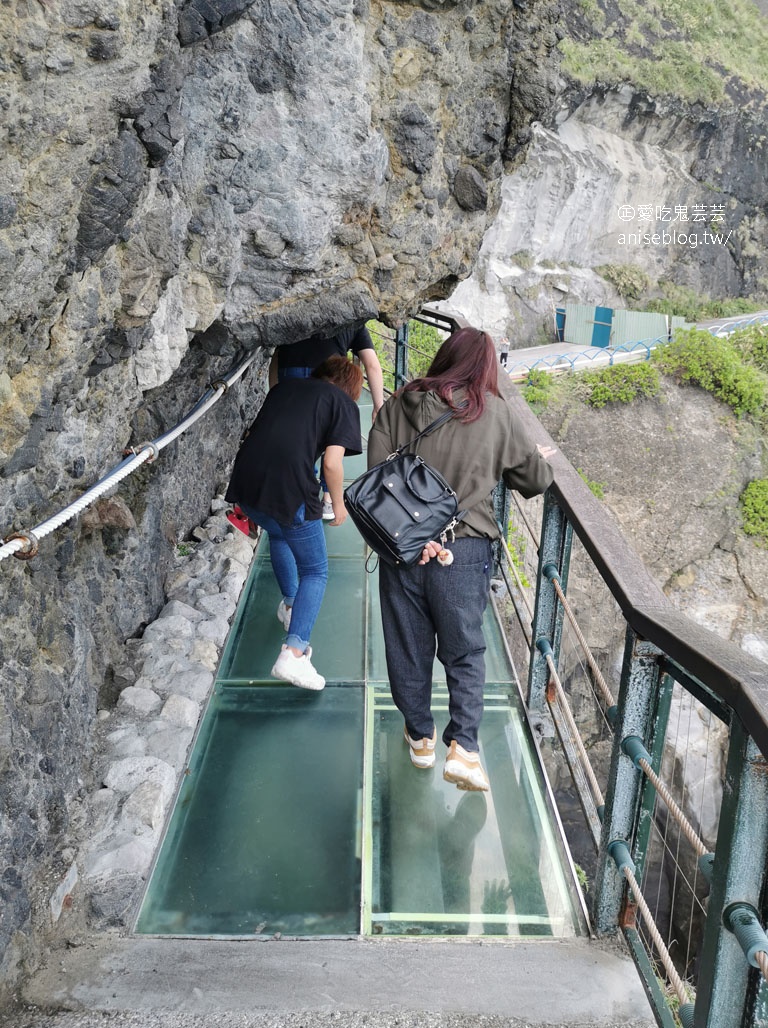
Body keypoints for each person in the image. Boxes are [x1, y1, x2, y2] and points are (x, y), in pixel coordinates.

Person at [367, 327, 554, 791]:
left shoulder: (401, 403)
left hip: (403, 549)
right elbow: (535, 482)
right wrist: (534, 456)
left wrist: (412, 535)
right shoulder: (497, 416)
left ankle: (421, 739)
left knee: (407, 647)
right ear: (487, 370)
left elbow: (373, 475)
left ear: (444, 358)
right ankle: (465, 747)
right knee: (465, 649)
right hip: (464, 549)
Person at [225, 356, 363, 691]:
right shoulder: (343, 403)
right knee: (315, 571)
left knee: (280, 534)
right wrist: (338, 504)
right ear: (350, 389)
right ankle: (295, 653)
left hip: (246, 486)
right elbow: (331, 463)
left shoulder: (284, 388)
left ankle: (290, 604)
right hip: (289, 488)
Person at [270, 324, 385, 519]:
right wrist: (378, 405)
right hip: (329, 376)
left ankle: (293, 492)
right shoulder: (354, 320)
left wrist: (275, 394)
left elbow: (277, 356)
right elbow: (371, 364)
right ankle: (328, 500)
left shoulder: (301, 310)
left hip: (290, 372)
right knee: (332, 439)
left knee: (297, 437)